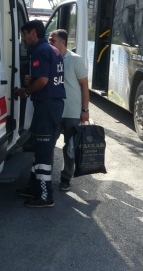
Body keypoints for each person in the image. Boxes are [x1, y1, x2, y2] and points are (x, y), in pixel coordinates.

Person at [15, 20, 65, 208]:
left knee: (43, 152)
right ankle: (34, 187)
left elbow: (43, 81)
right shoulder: (52, 49)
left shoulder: (40, 51)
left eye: (24, 35)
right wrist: (33, 79)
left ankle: (45, 196)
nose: (23, 39)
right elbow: (48, 76)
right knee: (39, 149)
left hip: (47, 106)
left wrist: (26, 91)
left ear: (33, 33)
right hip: (52, 105)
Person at [48, 29, 90, 191]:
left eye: (52, 40)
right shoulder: (49, 58)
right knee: (49, 144)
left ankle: (66, 178)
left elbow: (84, 86)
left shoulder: (75, 60)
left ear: (62, 42)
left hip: (72, 111)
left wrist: (85, 110)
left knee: (70, 147)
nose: (49, 43)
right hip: (54, 111)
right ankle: (46, 177)